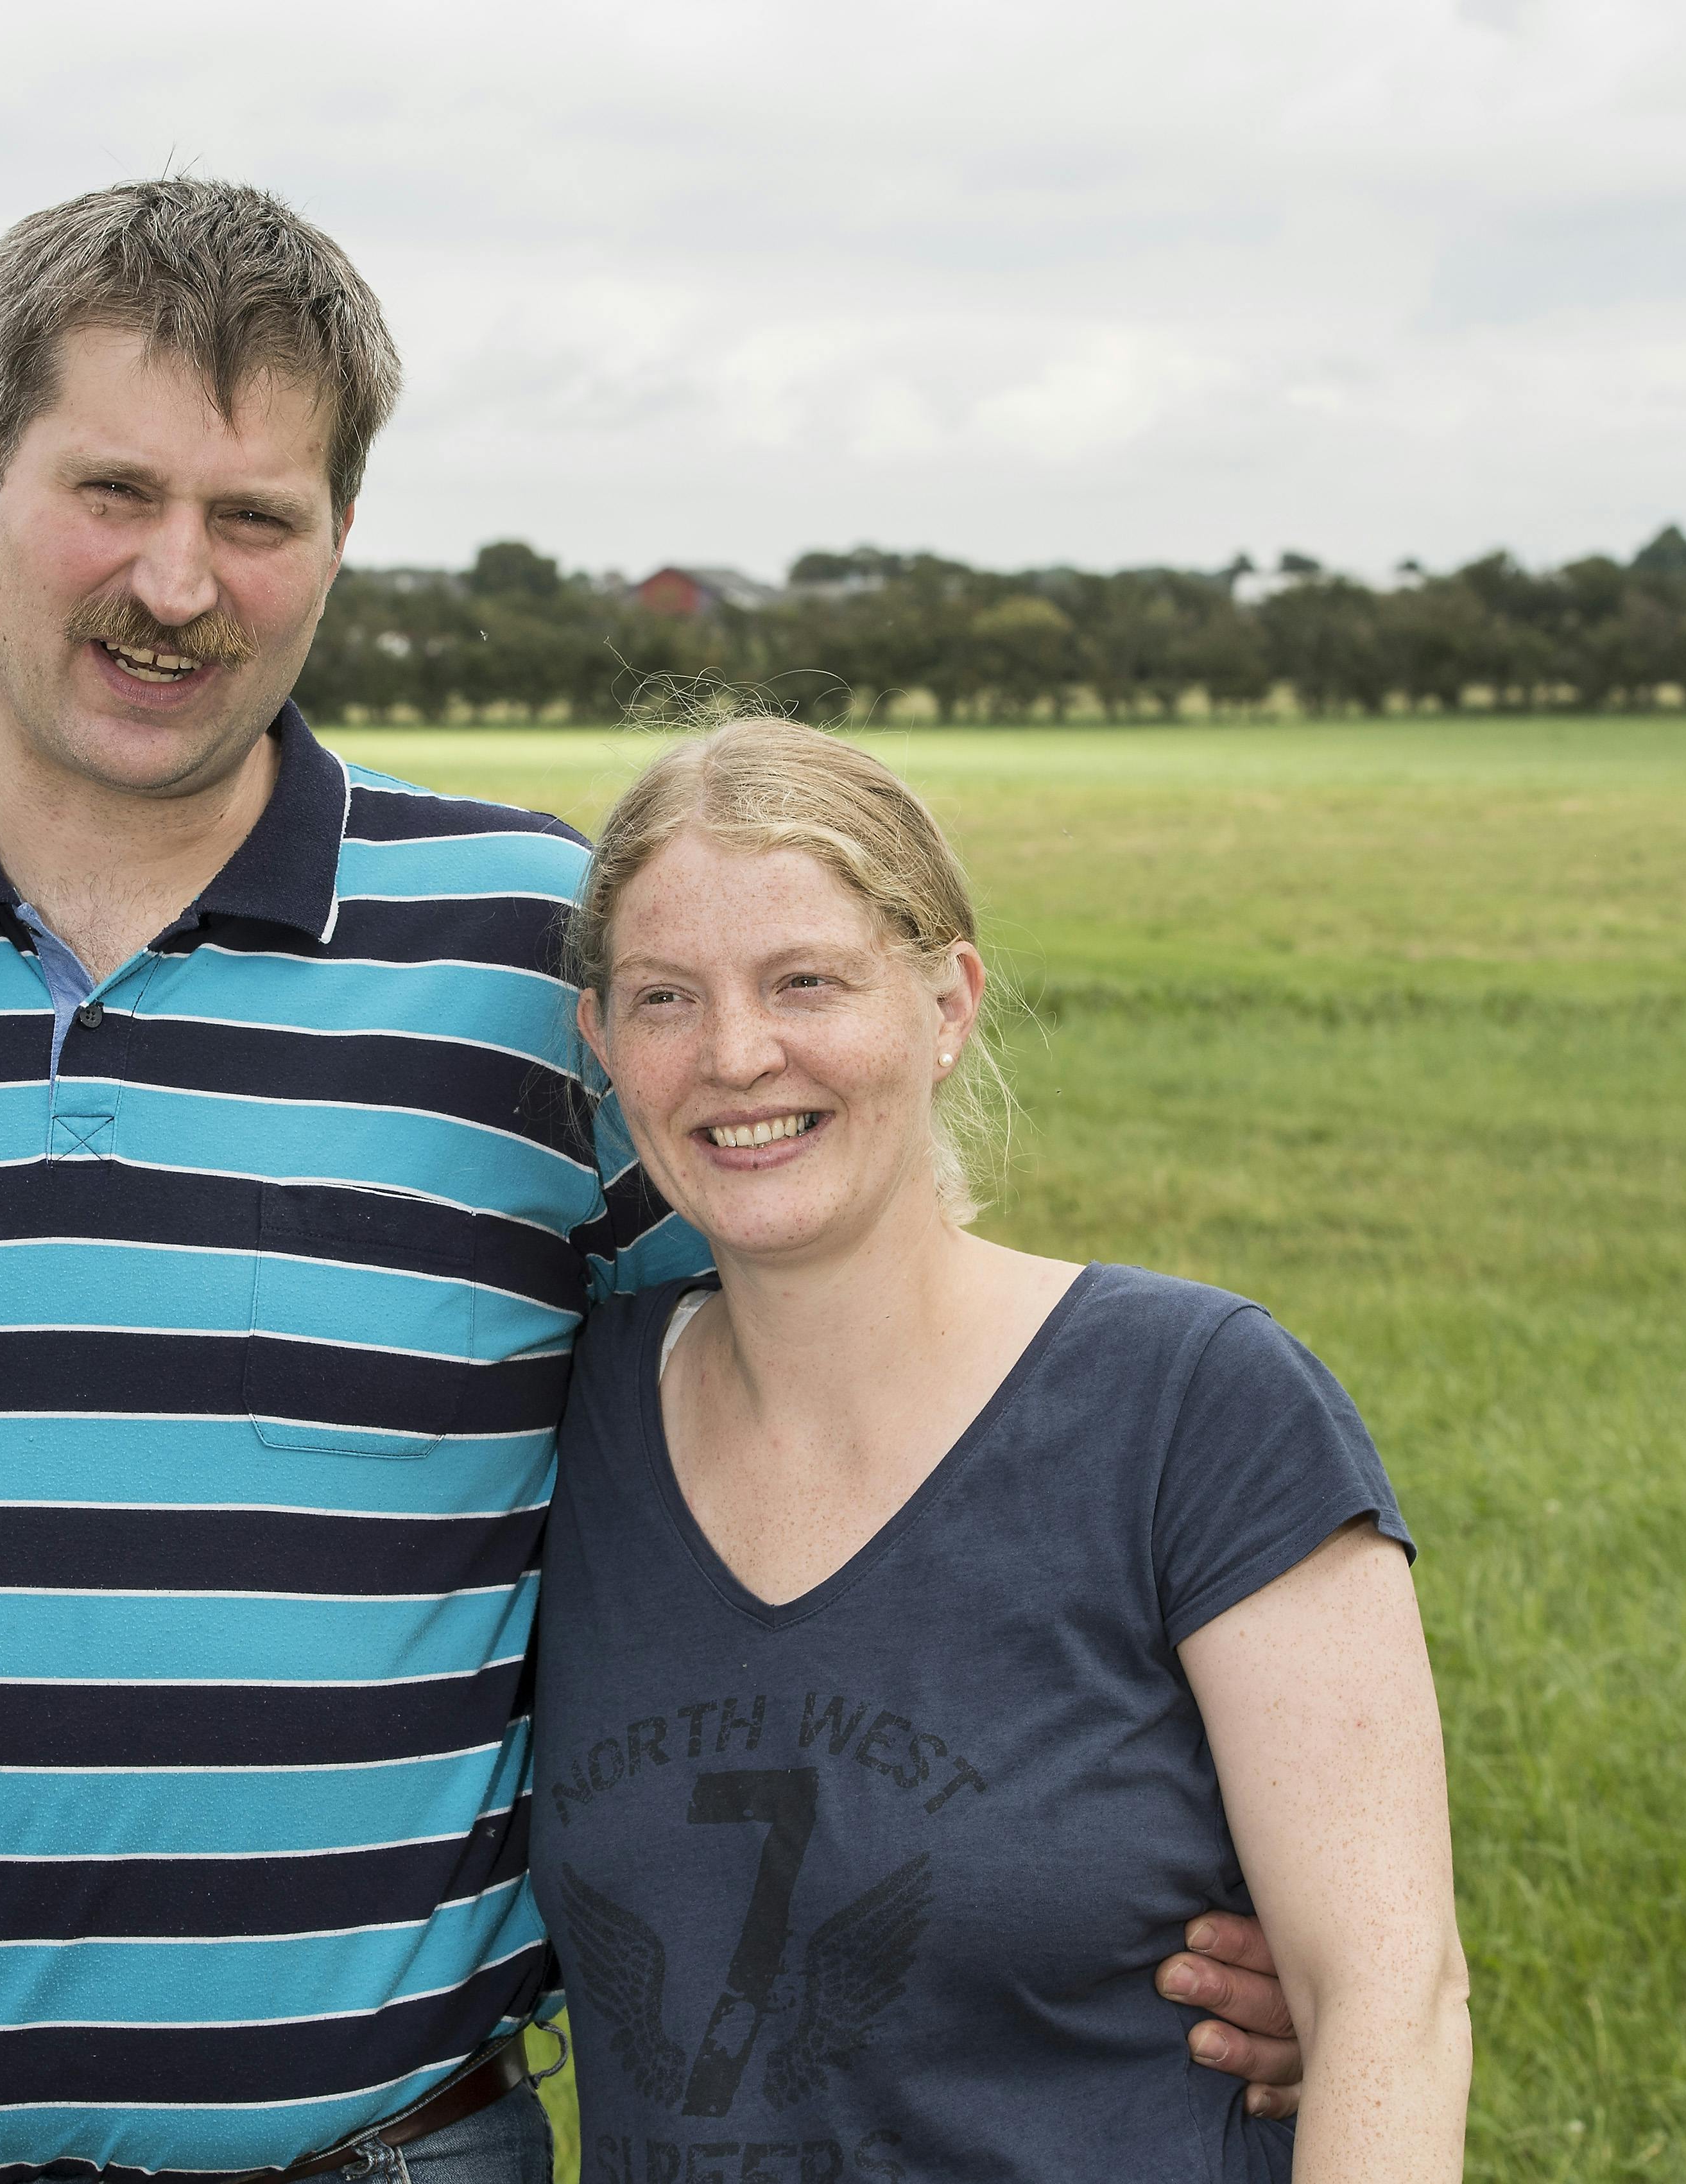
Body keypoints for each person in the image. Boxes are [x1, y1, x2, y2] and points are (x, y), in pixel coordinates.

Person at [0, 182, 1303, 2184]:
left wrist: (1120, 1890)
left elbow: (837, 1432)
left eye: (254, 517)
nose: (176, 582)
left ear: (338, 540)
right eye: (112, 489)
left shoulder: (531, 959)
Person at [539, 720, 1471, 2182]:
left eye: (806, 982)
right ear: (602, 1043)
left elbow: (1388, 2006)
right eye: (665, 997)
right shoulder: (567, 1420)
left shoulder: (1197, 1407)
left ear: (947, 1000)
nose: (734, 1055)